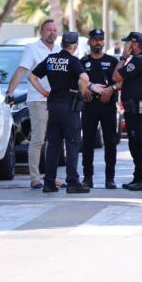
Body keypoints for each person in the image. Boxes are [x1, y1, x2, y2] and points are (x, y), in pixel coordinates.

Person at [28, 32, 90, 194]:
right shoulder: (73, 61)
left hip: (53, 105)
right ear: (75, 46)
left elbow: (32, 77)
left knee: (53, 145)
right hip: (69, 106)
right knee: (72, 143)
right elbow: (84, 78)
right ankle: (73, 182)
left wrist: (44, 92)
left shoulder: (51, 59)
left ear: (62, 44)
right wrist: (81, 92)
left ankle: (49, 183)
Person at [6, 19, 62, 189]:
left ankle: (51, 177)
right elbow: (21, 70)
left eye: (54, 30)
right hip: (38, 99)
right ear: (41, 32)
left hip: (56, 101)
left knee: (54, 140)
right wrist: (10, 92)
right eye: (48, 30)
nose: (52, 33)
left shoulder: (59, 50)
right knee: (38, 139)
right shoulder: (32, 49)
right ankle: (35, 178)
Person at [112, 32, 142, 191]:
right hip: (139, 106)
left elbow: (116, 76)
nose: (126, 46)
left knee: (139, 142)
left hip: (139, 107)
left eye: (128, 43)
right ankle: (139, 177)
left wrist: (123, 57)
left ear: (134, 45)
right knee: (135, 142)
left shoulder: (138, 61)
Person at [80, 29, 119, 189]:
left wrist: (111, 89)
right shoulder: (83, 61)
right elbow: (76, 80)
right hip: (89, 106)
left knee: (110, 142)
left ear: (104, 42)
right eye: (95, 39)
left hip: (107, 106)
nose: (98, 42)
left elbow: (121, 80)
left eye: (100, 39)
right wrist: (84, 89)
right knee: (88, 142)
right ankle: (87, 178)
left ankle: (110, 179)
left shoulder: (112, 61)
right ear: (89, 41)